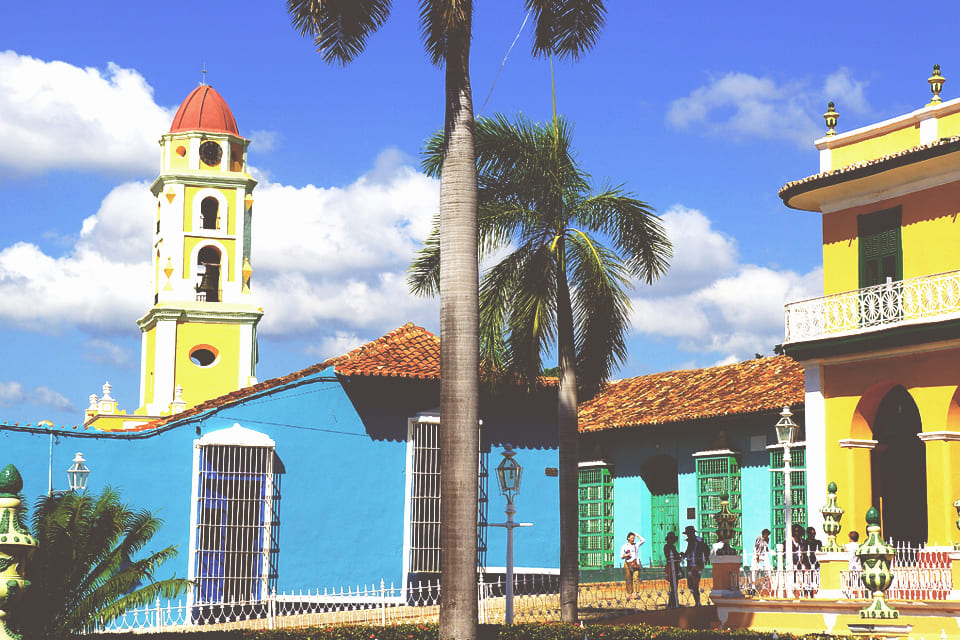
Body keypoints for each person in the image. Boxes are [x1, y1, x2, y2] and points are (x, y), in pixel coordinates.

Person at [682, 525, 710, 606]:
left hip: (696, 564)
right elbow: (689, 551)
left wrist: (704, 560)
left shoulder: (698, 542)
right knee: (692, 584)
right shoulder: (693, 541)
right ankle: (697, 601)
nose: (687, 536)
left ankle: (697, 601)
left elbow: (706, 550)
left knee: (694, 584)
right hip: (692, 564)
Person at [663, 531, 682, 609]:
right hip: (671, 567)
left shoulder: (670, 547)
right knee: (673, 585)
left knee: (674, 585)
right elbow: (673, 556)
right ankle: (672, 602)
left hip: (673, 566)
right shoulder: (668, 547)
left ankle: (673, 601)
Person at [752, 529, 771, 593]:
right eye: (766, 535)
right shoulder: (759, 538)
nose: (767, 536)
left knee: (767, 566)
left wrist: (769, 550)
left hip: (763, 554)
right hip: (757, 554)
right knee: (755, 569)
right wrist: (757, 556)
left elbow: (766, 547)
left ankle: (766, 580)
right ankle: (754, 585)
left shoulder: (767, 539)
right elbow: (756, 547)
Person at [845, 531, 861, 595]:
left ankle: (849, 595)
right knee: (858, 584)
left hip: (849, 565)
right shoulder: (859, 546)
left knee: (850, 584)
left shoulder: (846, 546)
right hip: (858, 566)